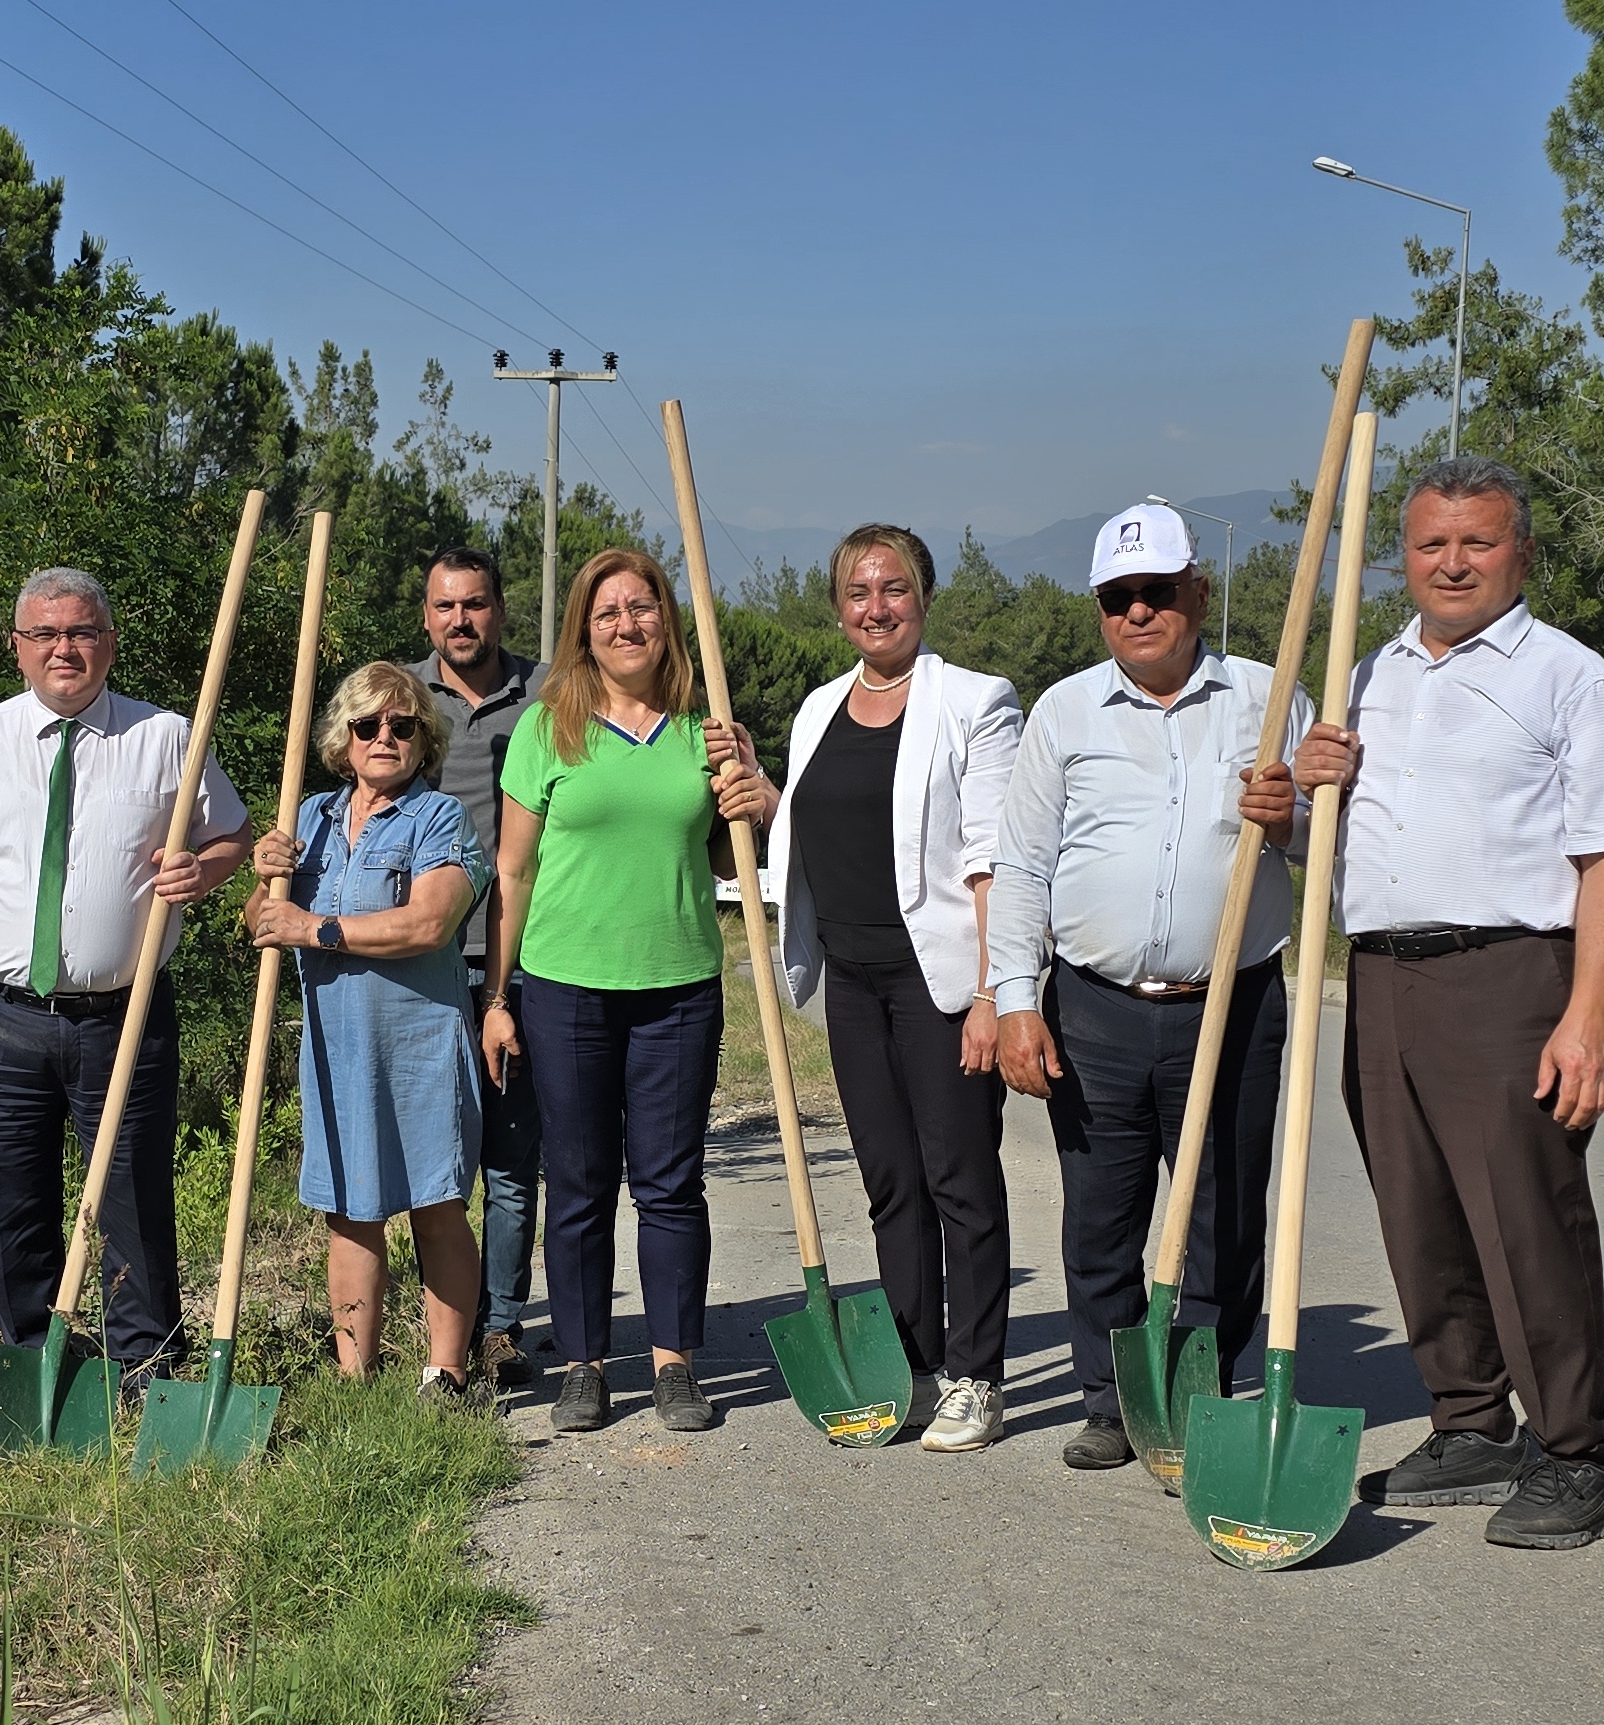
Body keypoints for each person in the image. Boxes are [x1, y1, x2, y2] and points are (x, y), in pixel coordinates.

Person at [1258, 455, 1604, 1550]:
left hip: (1507, 974)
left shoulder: (1571, 681)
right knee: (1418, 1211)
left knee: (1524, 1217)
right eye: (1431, 543)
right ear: (1402, 556)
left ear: (1520, 552)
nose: (1452, 562)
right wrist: (1292, 799)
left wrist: (1587, 1017)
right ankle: (1469, 1420)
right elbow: (1326, 846)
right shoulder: (1365, 676)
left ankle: (1577, 1454)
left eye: (1476, 542)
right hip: (1381, 973)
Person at [990, 501, 1306, 1473]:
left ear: (1196, 593)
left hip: (1232, 1000)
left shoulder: (1269, 695)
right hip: (1094, 1008)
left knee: (1223, 1210)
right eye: (1116, 597)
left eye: (1156, 592)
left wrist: (1289, 814)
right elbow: (1022, 865)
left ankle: (1197, 1386)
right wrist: (1012, 998)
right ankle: (1109, 1395)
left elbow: (1332, 846)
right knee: (1101, 1212)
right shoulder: (1064, 713)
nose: (1136, 612)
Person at [0, 570, 246, 1386]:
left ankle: (144, 1369)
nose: (66, 648)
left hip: (123, 1016)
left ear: (110, 643)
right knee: (10, 1200)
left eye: (83, 632)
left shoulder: (167, 738)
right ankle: (35, 1362)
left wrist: (203, 870)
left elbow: (230, 835)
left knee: (131, 1199)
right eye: (46, 634)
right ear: (17, 648)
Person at [480, 546, 775, 1436]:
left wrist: (753, 795)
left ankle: (676, 1363)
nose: (626, 625)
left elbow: (728, 861)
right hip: (566, 989)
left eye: (641, 607)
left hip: (679, 986)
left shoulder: (706, 731)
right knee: (576, 1182)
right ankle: (583, 1364)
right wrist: (499, 996)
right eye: (607, 612)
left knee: (672, 1183)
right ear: (584, 630)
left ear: (665, 620)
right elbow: (515, 870)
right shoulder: (548, 730)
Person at [762, 525, 1025, 1451]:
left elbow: (997, 857)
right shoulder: (818, 708)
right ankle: (914, 1365)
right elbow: (800, 822)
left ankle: (978, 1374)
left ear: (924, 595)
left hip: (940, 977)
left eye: (894, 589)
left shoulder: (975, 703)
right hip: (852, 975)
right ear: (839, 609)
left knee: (959, 1174)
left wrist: (995, 993)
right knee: (888, 1181)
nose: (877, 608)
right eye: (858, 593)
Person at [245, 661, 491, 1397]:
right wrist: (262, 883)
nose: (384, 737)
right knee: (350, 1212)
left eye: (402, 725)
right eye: (368, 725)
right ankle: (356, 1377)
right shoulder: (308, 818)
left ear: (423, 739)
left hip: (419, 1045)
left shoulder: (438, 819)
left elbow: (429, 921)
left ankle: (444, 1375)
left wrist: (313, 927)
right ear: (342, 738)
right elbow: (259, 925)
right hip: (336, 1046)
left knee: (436, 1207)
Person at [411, 545, 547, 1393]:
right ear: (426, 615)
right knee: (437, 1167)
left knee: (509, 1161)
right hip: (420, 963)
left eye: (476, 604)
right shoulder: (396, 700)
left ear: (500, 608)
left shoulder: (549, 693)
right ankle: (445, 1336)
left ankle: (501, 1328)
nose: (461, 620)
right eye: (444, 606)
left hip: (523, 961)